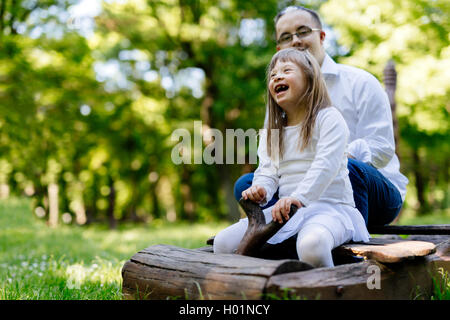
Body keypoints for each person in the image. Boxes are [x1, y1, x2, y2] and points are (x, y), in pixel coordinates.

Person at [234, 6, 408, 227]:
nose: (296, 40)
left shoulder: (360, 82)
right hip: (301, 186)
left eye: (303, 31)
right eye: (287, 37)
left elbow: (383, 149)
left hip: (371, 191)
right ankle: (289, 231)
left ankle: (347, 240)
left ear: (322, 36)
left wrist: (335, 154)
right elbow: (273, 159)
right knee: (246, 185)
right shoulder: (280, 98)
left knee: (345, 167)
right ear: (279, 48)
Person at [214, 48, 370, 268]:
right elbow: (268, 172)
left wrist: (299, 197)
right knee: (222, 243)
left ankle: (327, 290)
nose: (277, 76)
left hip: (331, 208)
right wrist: (261, 190)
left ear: (310, 79)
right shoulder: (272, 130)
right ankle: (253, 289)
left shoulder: (329, 118)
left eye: (287, 70)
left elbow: (326, 165)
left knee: (312, 246)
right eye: (273, 74)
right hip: (289, 211)